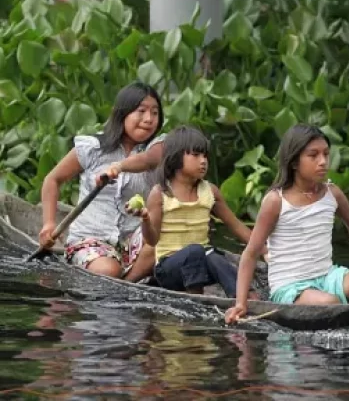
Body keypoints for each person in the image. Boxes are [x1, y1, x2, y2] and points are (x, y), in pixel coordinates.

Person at [225, 124, 349, 324]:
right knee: (330, 304)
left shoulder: (333, 193)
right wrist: (241, 303)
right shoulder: (276, 201)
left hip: (328, 276)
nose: (323, 162)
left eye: (326, 154)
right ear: (295, 162)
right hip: (290, 286)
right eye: (313, 156)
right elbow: (251, 253)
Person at [38, 81, 165, 282]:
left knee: (167, 238)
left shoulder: (158, 149)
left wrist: (118, 167)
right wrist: (49, 224)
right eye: (141, 111)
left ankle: (128, 282)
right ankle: (122, 281)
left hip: (135, 241)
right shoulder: (93, 148)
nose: (149, 119)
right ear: (123, 113)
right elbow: (53, 180)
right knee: (108, 271)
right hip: (91, 238)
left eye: (155, 113)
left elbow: (149, 161)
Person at [126, 125, 263, 298]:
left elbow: (235, 225)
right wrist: (145, 218)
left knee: (213, 255)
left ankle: (244, 297)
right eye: (196, 155)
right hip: (168, 269)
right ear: (176, 157)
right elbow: (152, 240)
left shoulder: (210, 191)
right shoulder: (160, 193)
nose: (203, 161)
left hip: (201, 260)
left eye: (205, 155)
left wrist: (264, 250)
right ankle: (195, 297)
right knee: (196, 251)